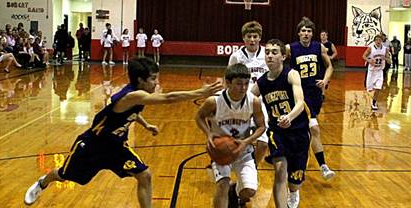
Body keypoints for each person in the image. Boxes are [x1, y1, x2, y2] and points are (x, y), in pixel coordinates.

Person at [23, 57, 223, 208]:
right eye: (153, 79)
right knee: (65, 175)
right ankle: (42, 182)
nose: (156, 83)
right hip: (92, 146)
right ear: (140, 80)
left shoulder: (136, 99)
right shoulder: (131, 95)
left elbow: (132, 114)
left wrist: (146, 125)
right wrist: (201, 93)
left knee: (145, 175)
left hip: (117, 147)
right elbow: (168, 99)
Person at [196, 63, 265, 208]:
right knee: (222, 185)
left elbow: (262, 127)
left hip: (244, 151)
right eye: (239, 84)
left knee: (250, 192)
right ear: (227, 82)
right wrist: (208, 134)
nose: (244, 88)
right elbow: (199, 117)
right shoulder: (214, 101)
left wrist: (246, 142)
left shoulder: (254, 101)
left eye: (246, 83)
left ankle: (235, 192)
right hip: (221, 150)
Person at [250, 39, 309, 208]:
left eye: (274, 52)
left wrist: (289, 117)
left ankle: (294, 191)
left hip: (299, 131)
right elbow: (247, 101)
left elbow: (300, 102)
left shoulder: (291, 74)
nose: (269, 55)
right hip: (278, 132)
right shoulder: (261, 82)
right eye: (267, 52)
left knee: (295, 179)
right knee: (280, 170)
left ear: (283, 56)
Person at [286, 17, 335, 180]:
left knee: (305, 131)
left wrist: (325, 80)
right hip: (298, 94)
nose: (306, 33)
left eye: (309, 31)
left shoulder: (318, 47)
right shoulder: (290, 48)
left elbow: (329, 66)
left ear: (312, 34)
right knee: (313, 128)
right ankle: (323, 166)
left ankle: (293, 158)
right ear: (299, 33)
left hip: (315, 94)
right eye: (303, 31)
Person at [227, 21, 269, 166]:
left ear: (260, 38)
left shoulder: (267, 54)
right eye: (249, 36)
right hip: (242, 103)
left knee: (263, 144)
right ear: (244, 38)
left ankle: (253, 169)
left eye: (255, 36)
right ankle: (237, 170)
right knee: (239, 142)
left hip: (263, 103)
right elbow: (228, 79)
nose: (252, 40)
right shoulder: (236, 56)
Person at [362, 34, 390, 110]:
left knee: (378, 88)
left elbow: (389, 59)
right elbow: (363, 56)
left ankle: (374, 102)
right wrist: (369, 61)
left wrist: (386, 58)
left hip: (379, 71)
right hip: (371, 71)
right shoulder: (371, 48)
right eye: (376, 40)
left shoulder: (385, 49)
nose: (378, 41)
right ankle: (370, 97)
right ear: (374, 41)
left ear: (381, 41)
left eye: (379, 40)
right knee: (370, 89)